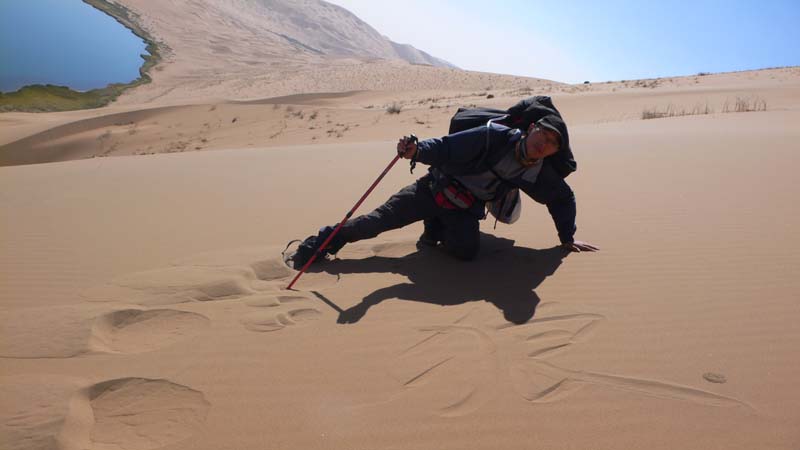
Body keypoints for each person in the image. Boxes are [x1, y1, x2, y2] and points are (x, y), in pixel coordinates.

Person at [285, 113, 598, 270]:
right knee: (373, 223)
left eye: (551, 143)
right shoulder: (493, 136)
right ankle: (315, 245)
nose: (543, 144)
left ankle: (434, 227)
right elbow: (447, 147)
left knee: (466, 253)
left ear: (553, 151)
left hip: (463, 208)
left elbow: (562, 198)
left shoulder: (538, 171)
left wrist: (567, 238)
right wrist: (416, 151)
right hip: (431, 190)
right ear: (531, 130)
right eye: (542, 135)